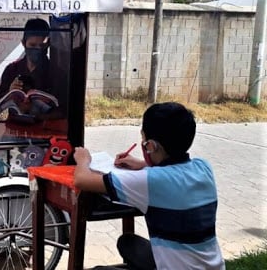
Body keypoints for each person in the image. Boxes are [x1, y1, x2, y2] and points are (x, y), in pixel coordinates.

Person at [73, 102, 225, 270]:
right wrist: (142, 163)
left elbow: (81, 179)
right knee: (128, 242)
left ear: (151, 146)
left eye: (143, 140)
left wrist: (83, 159)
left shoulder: (149, 181)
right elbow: (172, 174)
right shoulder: (203, 168)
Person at [0, 18, 65, 121]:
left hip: (44, 129)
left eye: (42, 45)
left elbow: (64, 110)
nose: (37, 49)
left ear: (48, 44)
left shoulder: (57, 73)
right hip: (15, 128)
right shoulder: (12, 69)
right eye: (32, 45)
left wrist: (40, 117)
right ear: (23, 43)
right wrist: (10, 92)